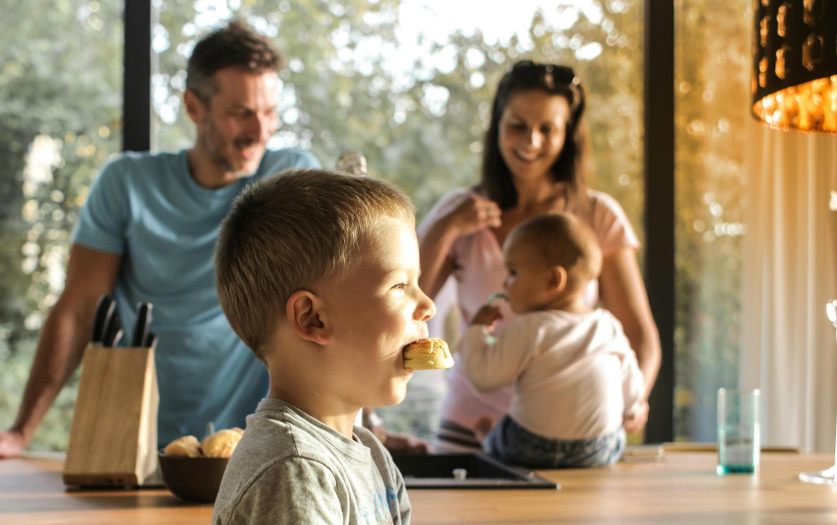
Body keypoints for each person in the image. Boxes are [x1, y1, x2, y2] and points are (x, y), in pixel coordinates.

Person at [0, 21, 323, 460]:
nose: (260, 129)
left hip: (260, 450)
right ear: (194, 108)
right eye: (241, 113)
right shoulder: (127, 183)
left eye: (270, 112)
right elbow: (80, 310)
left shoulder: (289, 178)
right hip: (134, 446)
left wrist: (371, 427)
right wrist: (20, 432)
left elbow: (332, 306)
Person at [417, 60, 660, 452]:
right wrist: (445, 228)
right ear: (497, 124)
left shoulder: (598, 216)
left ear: (567, 136)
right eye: (517, 125)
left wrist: (633, 402)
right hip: (470, 424)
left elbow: (638, 335)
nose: (530, 141)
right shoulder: (460, 214)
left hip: (566, 434)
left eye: (547, 129)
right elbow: (406, 304)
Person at [211, 169, 430, 524]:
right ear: (313, 319)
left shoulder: (373, 455)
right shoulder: (294, 471)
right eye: (400, 286)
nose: (428, 305)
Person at [457, 213, 642, 468]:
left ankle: (490, 440)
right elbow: (631, 379)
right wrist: (631, 409)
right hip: (599, 448)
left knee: (500, 439)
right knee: (617, 436)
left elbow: (484, 377)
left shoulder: (531, 327)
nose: (504, 283)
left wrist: (476, 331)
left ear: (554, 280)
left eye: (512, 272)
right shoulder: (608, 325)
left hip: (530, 446)